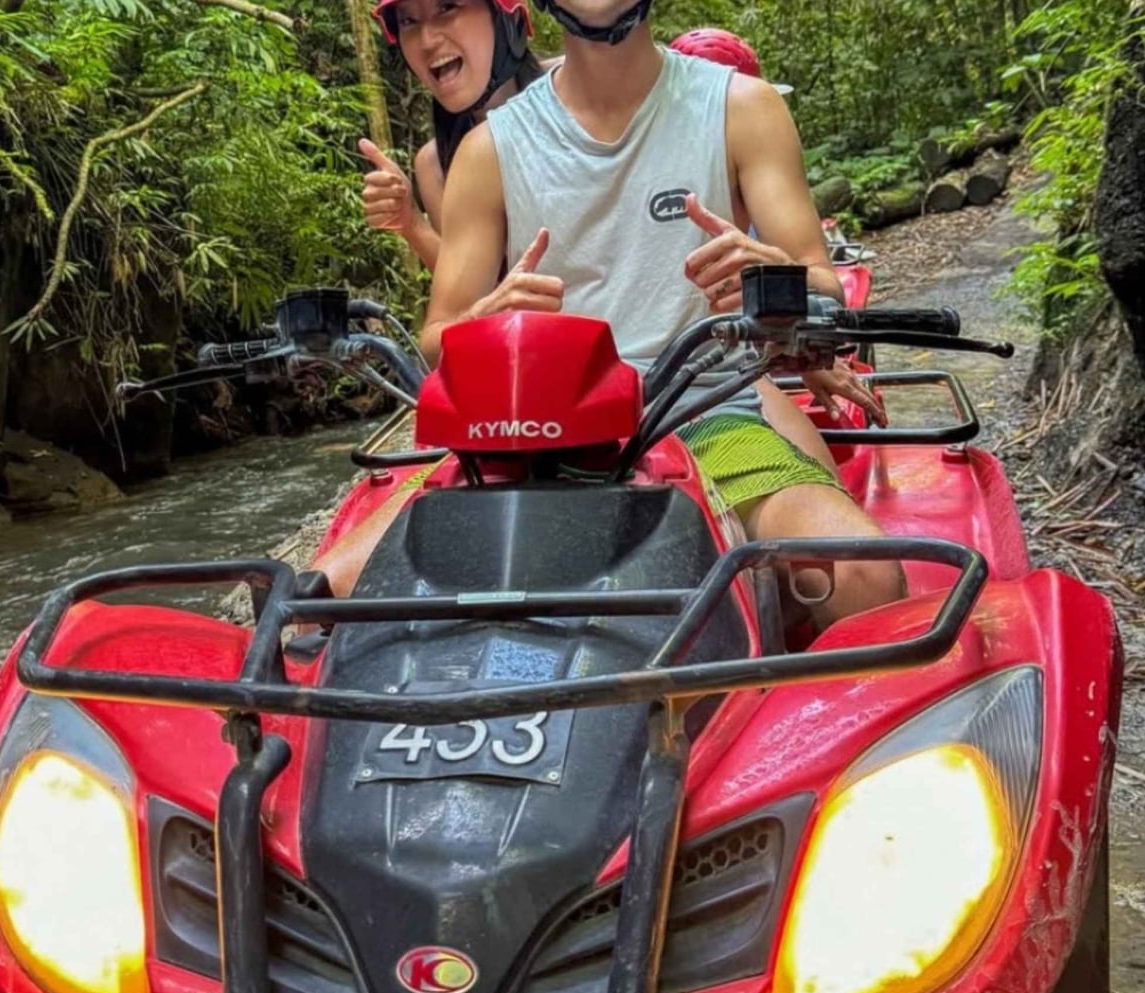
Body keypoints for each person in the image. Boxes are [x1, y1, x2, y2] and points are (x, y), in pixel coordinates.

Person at [314, 0, 905, 630]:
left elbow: (822, 282)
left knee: (865, 578)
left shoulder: (742, 107)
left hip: (702, 415)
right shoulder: (488, 150)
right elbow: (437, 338)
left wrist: (774, 277)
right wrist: (487, 321)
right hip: (524, 441)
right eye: (410, 21)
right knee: (312, 602)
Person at [359, 0, 549, 272]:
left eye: (447, 8)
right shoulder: (436, 164)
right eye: (408, 21)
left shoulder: (579, 93)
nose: (427, 41)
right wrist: (411, 223)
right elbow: (466, 287)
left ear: (508, 19)